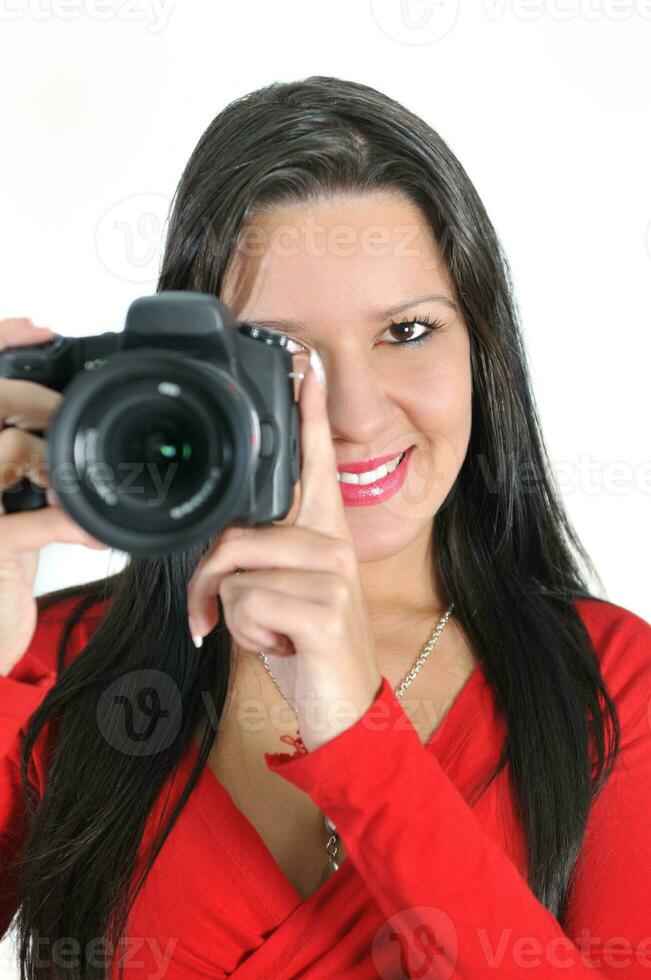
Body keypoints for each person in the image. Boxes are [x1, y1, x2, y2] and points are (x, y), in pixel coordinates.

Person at [1, 75, 650, 978]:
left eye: (408, 331)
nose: (350, 414)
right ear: (189, 374)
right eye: (281, 353)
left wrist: (357, 736)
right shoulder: (53, 665)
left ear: (482, 348)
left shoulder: (612, 681)